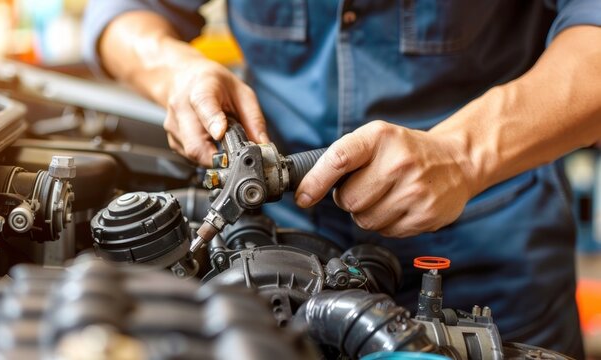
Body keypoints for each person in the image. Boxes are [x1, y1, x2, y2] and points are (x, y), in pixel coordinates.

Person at [82, 1, 601, 357]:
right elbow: (121, 13)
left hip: (490, 265)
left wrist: (463, 154)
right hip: (278, 252)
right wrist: (178, 73)